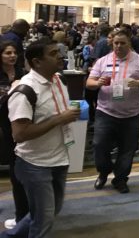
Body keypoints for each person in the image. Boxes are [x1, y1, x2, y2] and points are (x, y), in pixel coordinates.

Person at [8, 39, 81, 237]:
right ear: (37, 62)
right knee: (44, 219)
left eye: (59, 52)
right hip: (34, 163)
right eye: (53, 53)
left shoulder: (59, 79)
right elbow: (19, 134)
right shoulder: (25, 90)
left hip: (60, 157)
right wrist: (59, 119)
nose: (60, 56)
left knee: (48, 212)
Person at [86, 31, 139, 193]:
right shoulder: (103, 61)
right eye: (116, 43)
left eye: (122, 43)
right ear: (112, 43)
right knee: (99, 145)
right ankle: (103, 172)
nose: (119, 46)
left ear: (129, 43)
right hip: (105, 111)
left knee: (127, 149)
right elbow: (89, 82)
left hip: (131, 114)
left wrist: (138, 83)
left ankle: (121, 179)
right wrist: (98, 83)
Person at [0, 41, 28, 231]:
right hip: (2, 126)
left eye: (14, 53)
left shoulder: (23, 74)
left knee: (18, 170)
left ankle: (23, 215)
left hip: (18, 125)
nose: (12, 56)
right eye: (7, 53)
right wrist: (11, 91)